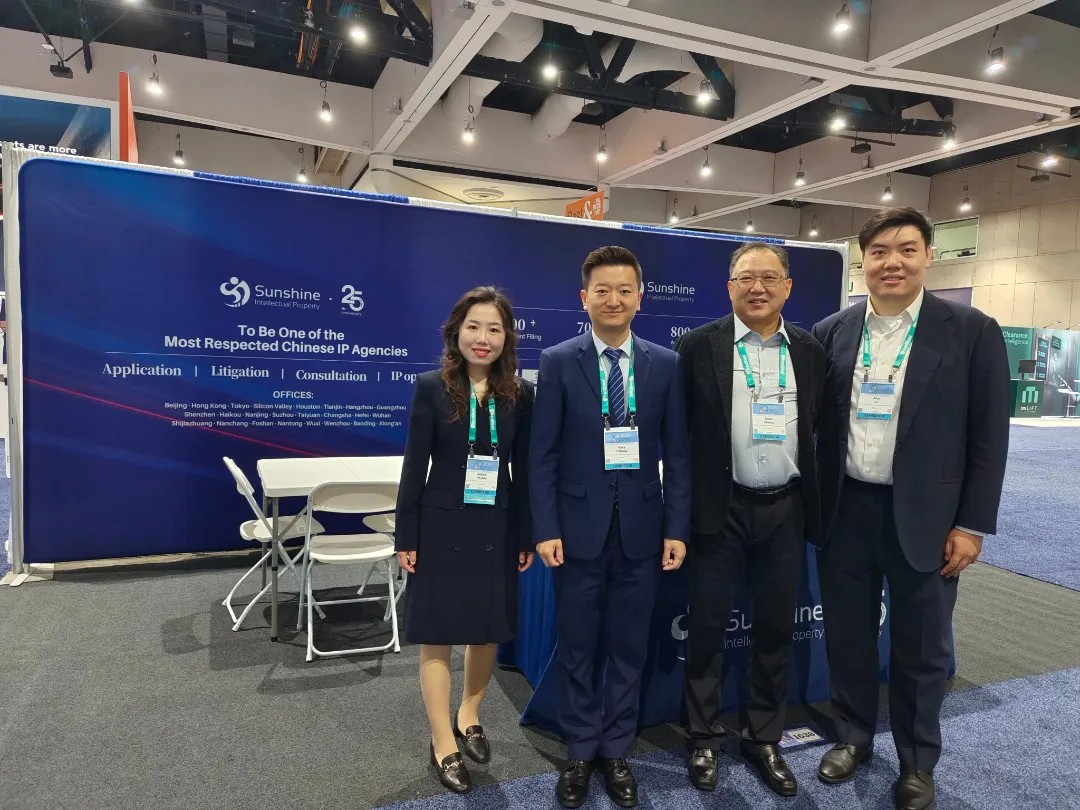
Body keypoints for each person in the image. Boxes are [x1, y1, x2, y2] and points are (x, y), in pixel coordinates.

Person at [811, 208, 1010, 810]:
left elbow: (989, 437)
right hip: (846, 510)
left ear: (928, 256)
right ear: (862, 261)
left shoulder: (970, 330)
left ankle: (917, 761)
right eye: (879, 252)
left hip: (928, 517)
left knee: (922, 648)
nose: (891, 262)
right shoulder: (832, 331)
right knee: (847, 636)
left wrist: (971, 524)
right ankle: (852, 736)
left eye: (905, 250)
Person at [530, 245, 691, 809]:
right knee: (577, 645)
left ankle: (617, 748)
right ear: (584, 298)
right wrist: (545, 526)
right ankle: (580, 750)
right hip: (575, 531)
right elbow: (542, 455)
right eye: (603, 290)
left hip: (644, 530)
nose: (614, 300)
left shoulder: (664, 364)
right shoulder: (558, 361)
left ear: (640, 298)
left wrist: (677, 528)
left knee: (629, 645)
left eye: (624, 290)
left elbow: (679, 454)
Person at [675, 242, 825, 797]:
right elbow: (679, 435)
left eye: (768, 277)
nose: (757, 287)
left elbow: (820, 430)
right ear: (729, 287)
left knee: (775, 628)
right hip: (720, 508)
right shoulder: (700, 346)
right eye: (745, 278)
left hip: (786, 507)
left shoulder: (808, 350)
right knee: (708, 627)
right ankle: (702, 736)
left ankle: (764, 736)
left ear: (788, 286)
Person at [394, 286, 536, 795]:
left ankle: (469, 713)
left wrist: (526, 532)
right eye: (474, 327)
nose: (483, 338)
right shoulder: (431, 387)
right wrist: (406, 533)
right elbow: (415, 467)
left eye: (494, 329)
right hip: (440, 526)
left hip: (497, 526)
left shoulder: (519, 395)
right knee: (436, 634)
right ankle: (442, 743)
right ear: (456, 331)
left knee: (486, 630)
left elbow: (526, 471)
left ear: (507, 337)